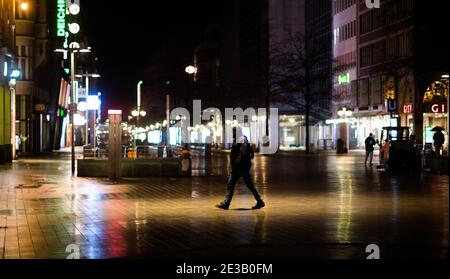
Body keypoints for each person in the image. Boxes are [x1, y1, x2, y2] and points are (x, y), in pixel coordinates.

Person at [216, 135, 265, 210]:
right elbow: (250, 152)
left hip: (239, 167)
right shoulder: (243, 139)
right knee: (249, 185)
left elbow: (243, 153)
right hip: (242, 167)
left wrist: (237, 163)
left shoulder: (240, 140)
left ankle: (226, 203)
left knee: (231, 184)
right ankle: (259, 201)